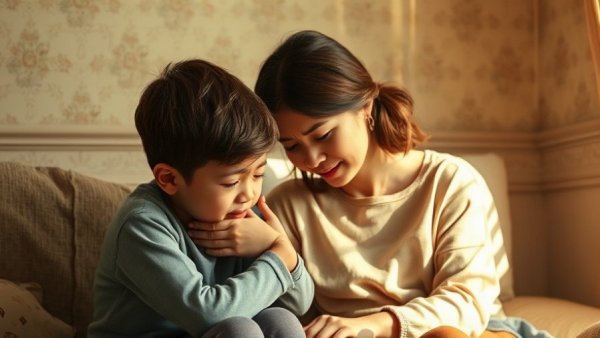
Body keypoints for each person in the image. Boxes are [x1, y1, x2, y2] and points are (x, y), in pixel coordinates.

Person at [248, 30, 551, 338]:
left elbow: (468, 303)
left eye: (323, 135)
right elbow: (287, 313)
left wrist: (377, 323)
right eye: (292, 146)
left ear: (365, 107)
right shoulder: (287, 205)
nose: (312, 159)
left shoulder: (449, 182)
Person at [87, 59, 314, 338]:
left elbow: (300, 303)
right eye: (231, 182)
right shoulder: (141, 225)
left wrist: (278, 247)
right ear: (169, 179)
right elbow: (208, 314)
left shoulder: (239, 214)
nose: (249, 194)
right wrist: (277, 260)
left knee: (280, 319)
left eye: (258, 175)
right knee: (237, 329)